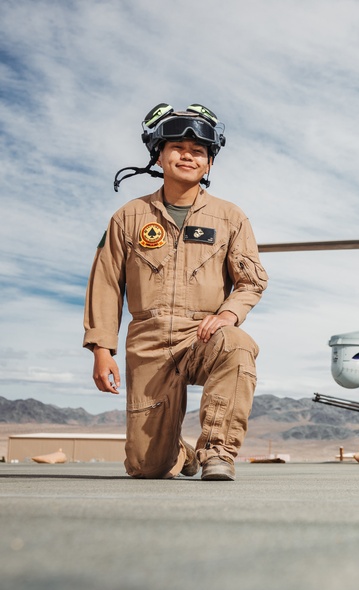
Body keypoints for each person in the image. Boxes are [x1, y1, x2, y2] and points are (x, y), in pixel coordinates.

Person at [84, 103, 268, 481]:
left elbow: (252, 280)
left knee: (238, 344)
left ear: (210, 164)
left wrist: (227, 315)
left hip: (203, 333)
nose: (188, 156)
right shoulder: (128, 217)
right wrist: (102, 351)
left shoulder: (231, 217)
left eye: (198, 151)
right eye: (177, 148)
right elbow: (105, 284)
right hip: (147, 341)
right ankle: (179, 452)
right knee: (146, 467)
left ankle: (217, 452)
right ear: (159, 155)